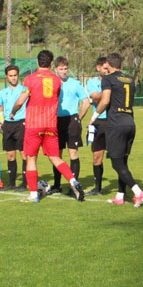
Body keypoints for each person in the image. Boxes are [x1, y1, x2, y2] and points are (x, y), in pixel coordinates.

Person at [11, 50, 84, 203]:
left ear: (38, 62)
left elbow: (20, 100)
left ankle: (33, 194)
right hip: (51, 124)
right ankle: (72, 181)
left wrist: (12, 112)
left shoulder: (30, 80)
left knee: (31, 158)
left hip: (34, 125)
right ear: (51, 64)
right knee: (55, 157)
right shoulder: (57, 81)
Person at [90, 53, 143, 207]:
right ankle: (120, 195)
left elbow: (105, 100)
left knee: (116, 162)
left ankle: (138, 192)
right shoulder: (130, 78)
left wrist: (94, 115)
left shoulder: (108, 78)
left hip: (116, 123)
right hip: (130, 122)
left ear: (108, 64)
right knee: (123, 161)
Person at [48, 56, 90, 196]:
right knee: (57, 154)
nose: (64, 71)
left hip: (72, 120)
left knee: (73, 153)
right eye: (61, 69)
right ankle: (57, 185)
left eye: (66, 68)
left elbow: (86, 101)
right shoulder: (52, 83)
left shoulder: (75, 83)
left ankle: (74, 185)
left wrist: (79, 117)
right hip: (56, 121)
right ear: (55, 69)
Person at [0, 65, 28, 191]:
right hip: (8, 124)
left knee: (24, 154)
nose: (13, 78)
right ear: (6, 77)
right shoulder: (3, 92)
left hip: (21, 123)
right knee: (10, 155)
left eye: (15, 75)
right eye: (11, 76)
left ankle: (25, 183)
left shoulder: (24, 90)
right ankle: (11, 183)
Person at [85, 57, 109, 195]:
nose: (106, 70)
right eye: (104, 68)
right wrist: (107, 91)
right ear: (98, 68)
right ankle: (98, 188)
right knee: (96, 156)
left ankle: (122, 189)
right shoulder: (92, 82)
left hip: (112, 121)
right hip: (98, 121)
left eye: (108, 68)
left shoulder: (113, 80)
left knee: (117, 156)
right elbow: (95, 98)